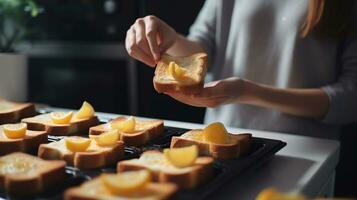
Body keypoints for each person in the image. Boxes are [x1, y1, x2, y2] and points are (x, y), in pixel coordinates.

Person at [125, 0, 357, 139]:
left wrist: (249, 92)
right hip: (222, 138)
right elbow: (202, 48)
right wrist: (171, 38)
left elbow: (351, 96)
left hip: (307, 149)